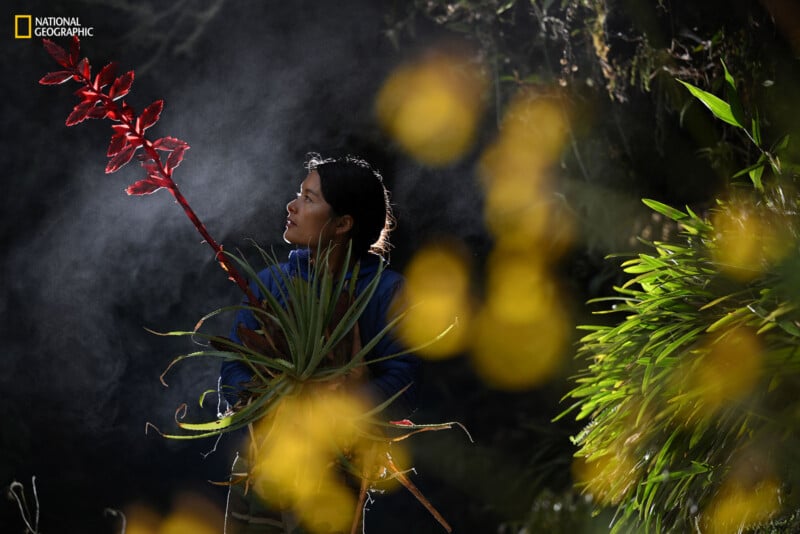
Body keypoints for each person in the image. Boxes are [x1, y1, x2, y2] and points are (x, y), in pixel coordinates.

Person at [220, 154, 420, 533]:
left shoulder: (384, 292)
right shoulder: (271, 283)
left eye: (309, 199)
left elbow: (405, 381)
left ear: (343, 223)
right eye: (299, 194)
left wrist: (344, 402)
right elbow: (234, 364)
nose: (292, 206)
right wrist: (263, 402)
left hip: (335, 476)